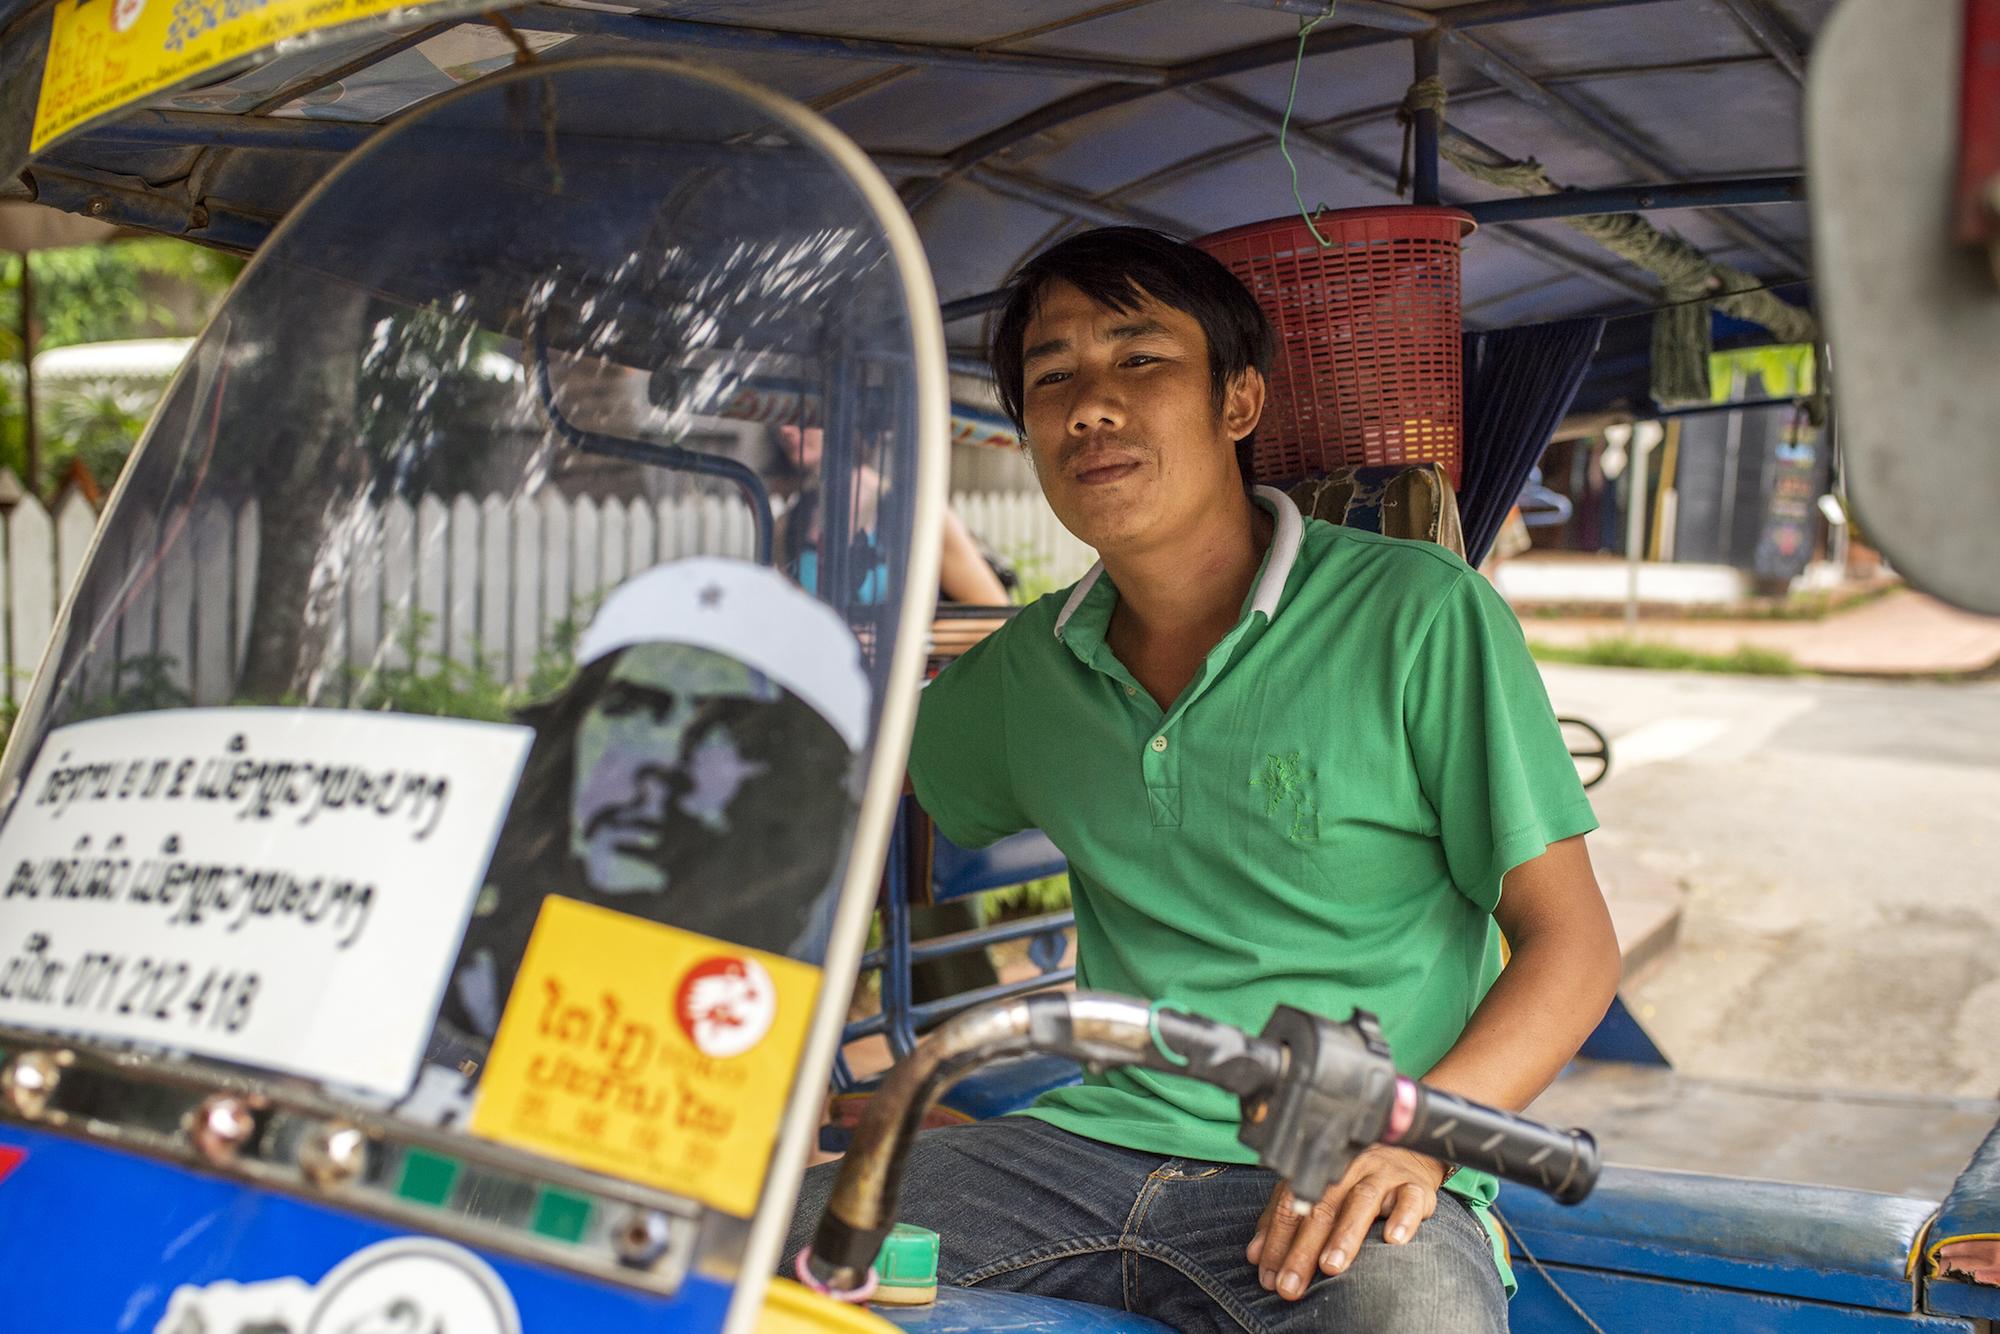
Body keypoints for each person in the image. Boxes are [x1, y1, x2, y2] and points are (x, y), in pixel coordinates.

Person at [784, 227, 1621, 1331]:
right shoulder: (1025, 669)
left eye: (1138, 361)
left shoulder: (1414, 613)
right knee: (724, 1243)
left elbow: (1573, 942)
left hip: (1345, 1156)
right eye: (1051, 378)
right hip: (1081, 1147)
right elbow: (828, 798)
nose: (1089, 405)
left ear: (1236, 402)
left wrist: (1419, 1134)